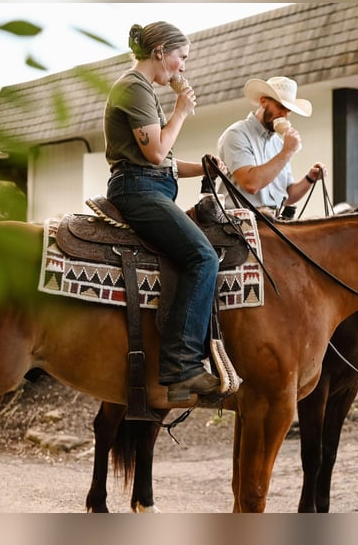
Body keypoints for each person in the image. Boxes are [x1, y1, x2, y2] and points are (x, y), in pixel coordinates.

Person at [104, 21, 228, 402]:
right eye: (182, 57)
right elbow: (155, 152)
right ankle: (182, 368)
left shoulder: (143, 92)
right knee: (203, 256)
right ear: (160, 51)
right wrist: (181, 111)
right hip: (137, 191)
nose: (183, 67)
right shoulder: (132, 87)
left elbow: (165, 161)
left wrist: (206, 167)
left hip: (151, 184)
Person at [217, 76, 325, 213]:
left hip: (273, 221)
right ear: (263, 102)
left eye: (288, 110)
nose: (284, 114)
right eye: (281, 107)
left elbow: (287, 196)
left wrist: (310, 178)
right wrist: (286, 152)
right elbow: (251, 184)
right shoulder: (237, 134)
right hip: (238, 222)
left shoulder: (280, 144)